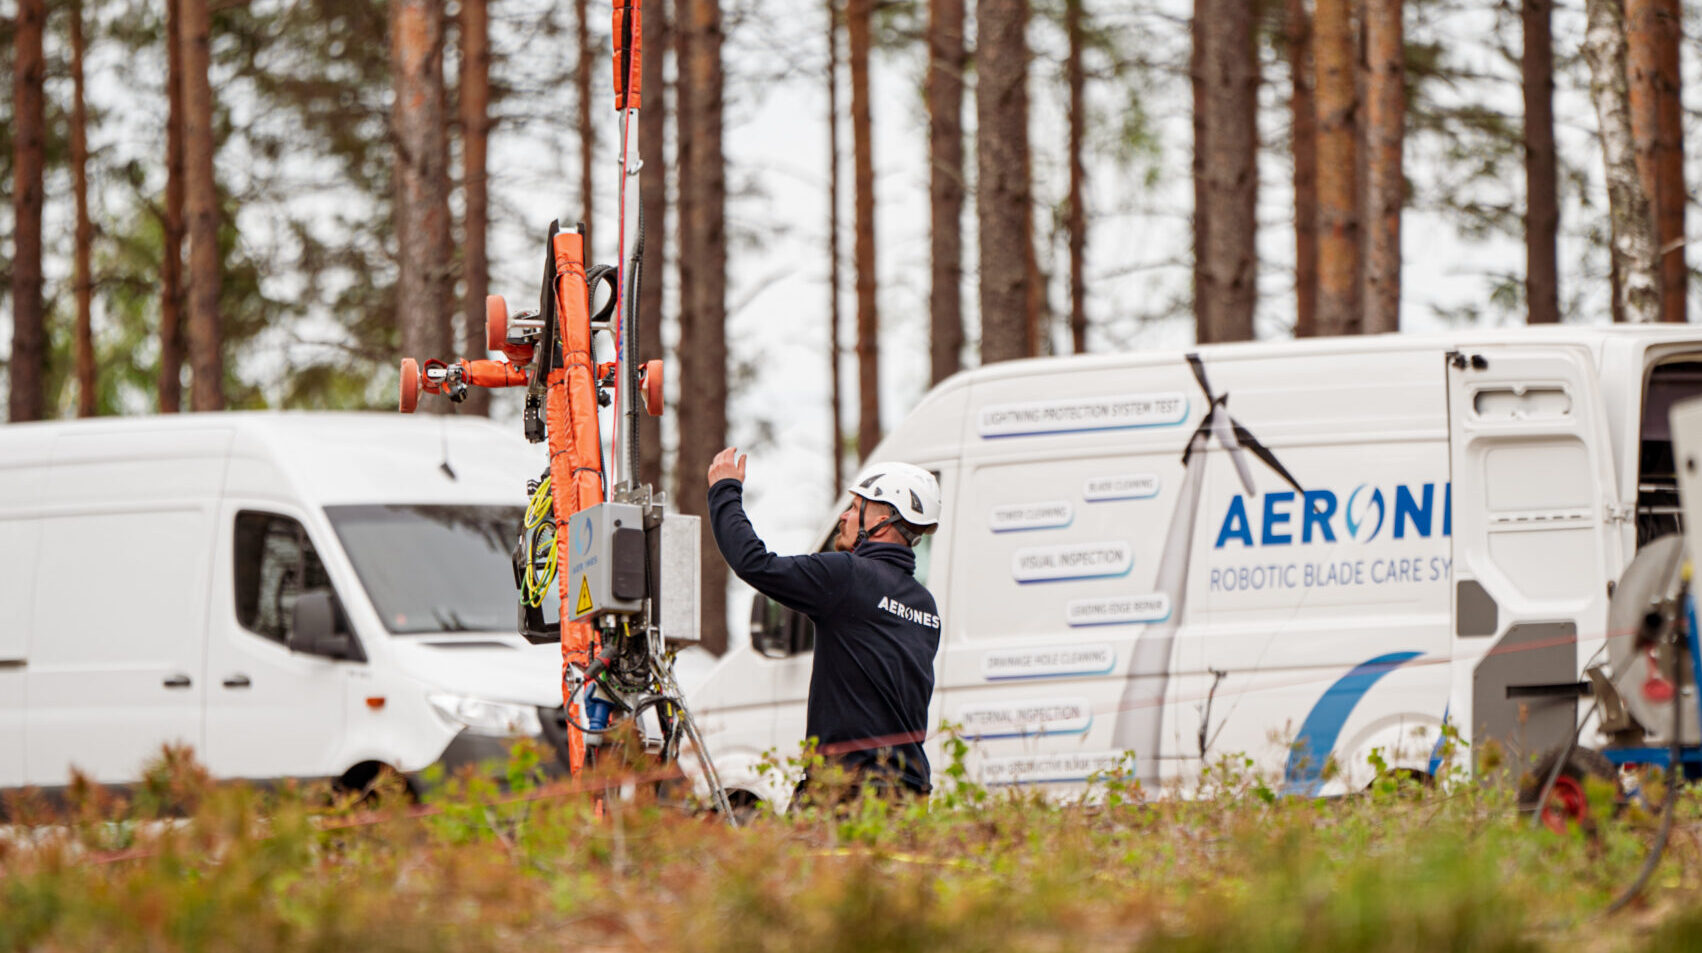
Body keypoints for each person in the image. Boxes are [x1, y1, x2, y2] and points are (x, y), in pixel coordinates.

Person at [706, 447, 943, 805]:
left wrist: (725, 490)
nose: (845, 517)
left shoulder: (847, 576)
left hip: (846, 792)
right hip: (909, 797)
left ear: (882, 518)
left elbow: (753, 563)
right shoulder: (926, 607)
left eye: (854, 507)